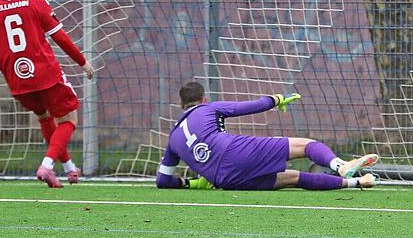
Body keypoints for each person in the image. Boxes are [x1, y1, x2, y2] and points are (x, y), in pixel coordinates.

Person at [0, 0, 94, 188]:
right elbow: (60, 37)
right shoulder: (35, 2)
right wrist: (83, 62)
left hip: (16, 78)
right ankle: (47, 166)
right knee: (69, 119)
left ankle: (70, 169)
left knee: (44, 117)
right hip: (45, 73)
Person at [156, 81, 379, 191]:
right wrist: (278, 99)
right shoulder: (209, 108)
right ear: (203, 100)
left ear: (181, 105)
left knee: (292, 178)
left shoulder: (173, 138)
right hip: (234, 152)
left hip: (223, 180)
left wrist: (190, 183)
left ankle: (357, 181)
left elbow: (162, 181)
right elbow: (251, 106)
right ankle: (340, 166)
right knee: (306, 145)